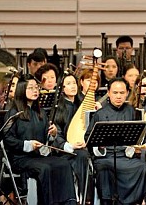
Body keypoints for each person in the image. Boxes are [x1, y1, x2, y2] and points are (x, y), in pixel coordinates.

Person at [3, 75, 77, 205]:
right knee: (45, 168)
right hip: (21, 158)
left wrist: (52, 134)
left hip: (38, 155)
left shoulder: (41, 112)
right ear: (21, 90)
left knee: (64, 164)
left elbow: (45, 139)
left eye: (36, 87)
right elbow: (8, 139)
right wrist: (28, 145)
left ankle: (68, 202)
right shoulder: (13, 113)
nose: (35, 90)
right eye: (30, 88)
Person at [85, 77, 146, 205]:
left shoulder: (132, 111)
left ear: (127, 93)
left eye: (122, 93)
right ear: (108, 93)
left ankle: (134, 201)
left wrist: (134, 147)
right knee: (104, 169)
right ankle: (107, 201)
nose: (119, 96)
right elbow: (88, 138)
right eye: (115, 93)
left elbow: (141, 136)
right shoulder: (100, 114)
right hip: (106, 156)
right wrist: (100, 147)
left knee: (143, 167)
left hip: (126, 156)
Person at [51, 72, 91, 204]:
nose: (73, 86)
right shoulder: (58, 108)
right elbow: (57, 135)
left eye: (74, 83)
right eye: (68, 84)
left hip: (84, 144)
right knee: (81, 156)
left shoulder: (82, 104)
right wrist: (69, 146)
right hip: (64, 149)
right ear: (62, 89)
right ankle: (81, 197)